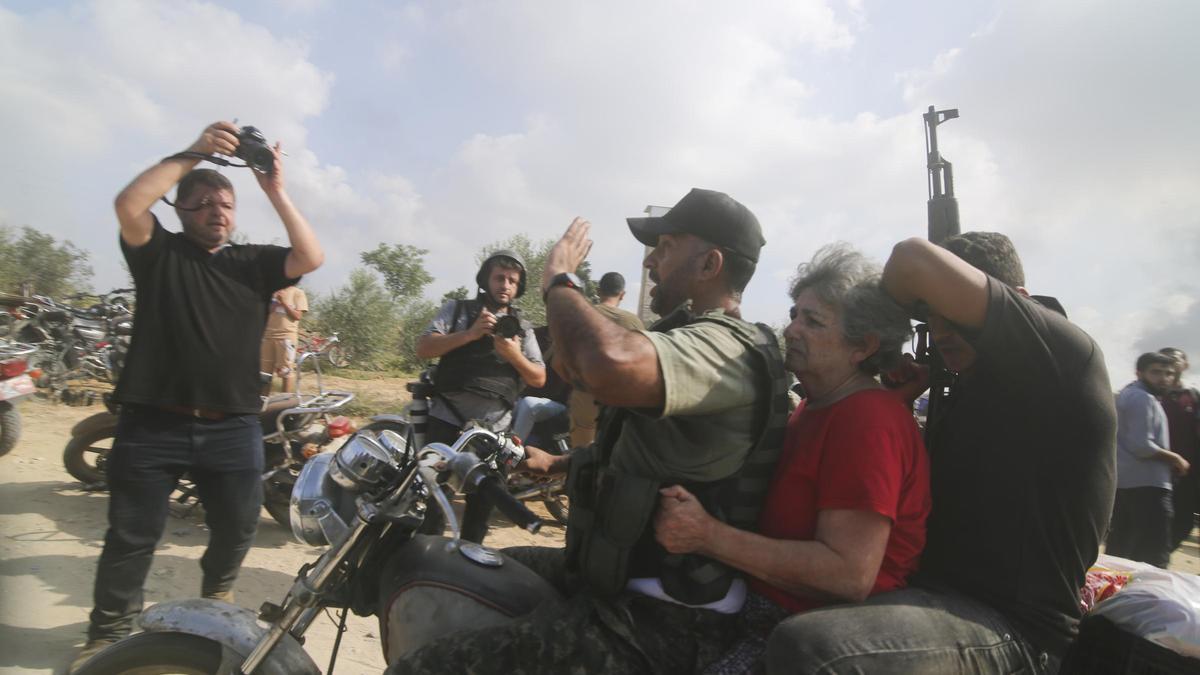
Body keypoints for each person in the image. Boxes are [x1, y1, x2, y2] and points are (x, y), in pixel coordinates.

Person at [388, 187, 789, 674]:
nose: (651, 263)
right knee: (452, 569)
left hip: (664, 618)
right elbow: (639, 448)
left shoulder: (726, 347)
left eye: (665, 248)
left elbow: (606, 364)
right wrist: (557, 462)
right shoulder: (683, 334)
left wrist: (560, 278)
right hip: (613, 580)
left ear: (710, 264)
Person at [767, 232, 1116, 674]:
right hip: (933, 597)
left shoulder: (1063, 355)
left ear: (1020, 303)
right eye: (930, 318)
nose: (940, 330)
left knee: (813, 648)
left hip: (1014, 629)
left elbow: (912, 259)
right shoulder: (965, 382)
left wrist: (869, 327)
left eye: (954, 314)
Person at [73, 121, 323, 670]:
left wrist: (274, 188)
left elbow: (311, 256)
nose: (218, 211)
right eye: (204, 202)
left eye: (226, 204)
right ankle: (107, 634)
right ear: (181, 210)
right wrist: (196, 152)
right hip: (151, 425)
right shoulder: (158, 252)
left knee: (236, 527)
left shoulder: (252, 264)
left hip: (232, 426)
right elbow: (128, 203)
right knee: (131, 538)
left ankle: (214, 603)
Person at [653, 244, 930, 674]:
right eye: (795, 314)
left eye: (812, 321)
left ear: (863, 346)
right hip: (758, 608)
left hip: (798, 631)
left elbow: (847, 573)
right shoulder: (817, 405)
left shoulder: (866, 419)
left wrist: (705, 535)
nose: (791, 330)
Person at [414, 249, 546, 542]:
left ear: (518, 287)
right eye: (499, 277)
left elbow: (538, 377)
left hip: (494, 431)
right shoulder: (457, 311)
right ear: (486, 280)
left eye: (512, 280)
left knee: (480, 513)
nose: (505, 285)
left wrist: (513, 354)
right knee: (433, 507)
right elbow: (423, 348)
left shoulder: (522, 329)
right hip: (446, 421)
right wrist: (470, 334)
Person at [1108, 352, 1190, 567]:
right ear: (1140, 372)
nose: (1163, 378)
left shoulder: (1132, 394)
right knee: (1152, 552)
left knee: (1122, 550)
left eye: (1168, 373)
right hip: (1147, 484)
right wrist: (1176, 458)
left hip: (1128, 482)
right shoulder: (1141, 398)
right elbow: (1141, 446)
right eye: (1156, 372)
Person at [567, 271, 645, 448]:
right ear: (623, 294)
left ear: (598, 290)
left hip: (585, 400)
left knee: (581, 461)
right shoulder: (633, 323)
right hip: (620, 405)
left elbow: (558, 363)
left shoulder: (581, 315)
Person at [1159, 347, 1200, 551]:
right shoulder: (1152, 395)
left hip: (1187, 472)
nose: (1171, 363)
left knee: (1184, 521)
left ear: (1185, 364)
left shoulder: (1192, 395)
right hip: (1157, 470)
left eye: (1175, 358)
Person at [261, 284, 307, 393]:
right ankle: (263, 402)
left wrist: (284, 302)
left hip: (286, 338)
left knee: (285, 372)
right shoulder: (272, 291)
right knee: (264, 373)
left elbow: (297, 316)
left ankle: (285, 402)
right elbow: (264, 312)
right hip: (268, 336)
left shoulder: (297, 293)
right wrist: (275, 302)